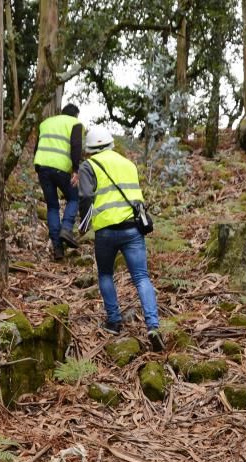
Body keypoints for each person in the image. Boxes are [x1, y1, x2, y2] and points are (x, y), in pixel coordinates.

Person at [77, 127, 164, 352]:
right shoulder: (128, 164)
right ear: (110, 144)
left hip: (105, 231)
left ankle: (114, 322)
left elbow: (86, 195)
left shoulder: (88, 166)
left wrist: (83, 224)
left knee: (106, 274)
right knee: (142, 277)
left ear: (89, 150)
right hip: (132, 229)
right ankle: (153, 326)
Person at [33, 103, 83, 260]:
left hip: (42, 167)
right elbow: (76, 147)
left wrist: (39, 168)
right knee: (74, 197)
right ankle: (67, 228)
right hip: (61, 168)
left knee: (52, 206)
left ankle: (57, 248)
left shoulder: (46, 123)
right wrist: (76, 170)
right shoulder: (75, 123)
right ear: (75, 115)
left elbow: (36, 148)